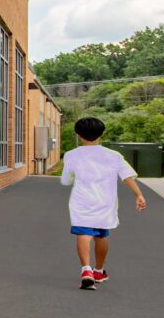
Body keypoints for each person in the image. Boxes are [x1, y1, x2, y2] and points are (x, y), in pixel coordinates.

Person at [61, 116, 146, 289]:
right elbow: (127, 176)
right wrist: (139, 195)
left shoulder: (71, 155)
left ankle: (86, 270)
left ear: (78, 135)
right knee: (101, 234)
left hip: (81, 200)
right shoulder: (113, 155)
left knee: (83, 232)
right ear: (103, 133)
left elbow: (66, 181)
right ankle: (98, 270)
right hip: (105, 202)